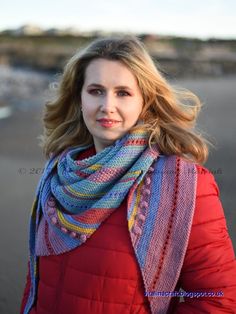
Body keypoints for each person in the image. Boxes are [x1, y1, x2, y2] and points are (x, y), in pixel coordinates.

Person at [20, 35, 236, 314]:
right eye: (96, 90)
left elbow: (216, 298)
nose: (107, 105)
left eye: (123, 93)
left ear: (145, 100)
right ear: (79, 97)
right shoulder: (59, 173)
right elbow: (36, 278)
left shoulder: (185, 185)